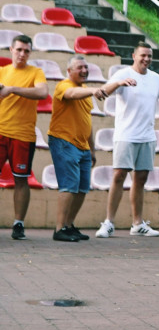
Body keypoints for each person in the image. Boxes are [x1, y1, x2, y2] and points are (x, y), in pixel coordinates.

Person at [95, 43, 159, 238]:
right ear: (134, 55)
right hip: (125, 135)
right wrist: (119, 83)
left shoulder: (156, 78)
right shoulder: (122, 74)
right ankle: (109, 222)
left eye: (149, 56)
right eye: (143, 55)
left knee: (140, 179)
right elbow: (104, 92)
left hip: (147, 136)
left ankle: (137, 224)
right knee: (119, 176)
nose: (146, 59)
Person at [47, 55, 111, 241]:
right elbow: (70, 95)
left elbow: (87, 121)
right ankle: (59, 229)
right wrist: (93, 90)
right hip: (64, 141)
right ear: (69, 71)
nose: (84, 70)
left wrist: (92, 149)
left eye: (86, 67)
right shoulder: (64, 86)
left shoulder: (84, 91)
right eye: (79, 68)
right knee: (69, 186)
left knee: (82, 188)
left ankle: (68, 225)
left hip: (83, 146)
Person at [0, 35, 47, 239]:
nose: (22, 54)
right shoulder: (2, 72)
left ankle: (18, 224)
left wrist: (11, 89)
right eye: (19, 49)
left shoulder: (36, 72)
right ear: (11, 49)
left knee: (21, 180)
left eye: (26, 51)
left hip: (23, 135)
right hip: (1, 131)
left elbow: (42, 93)